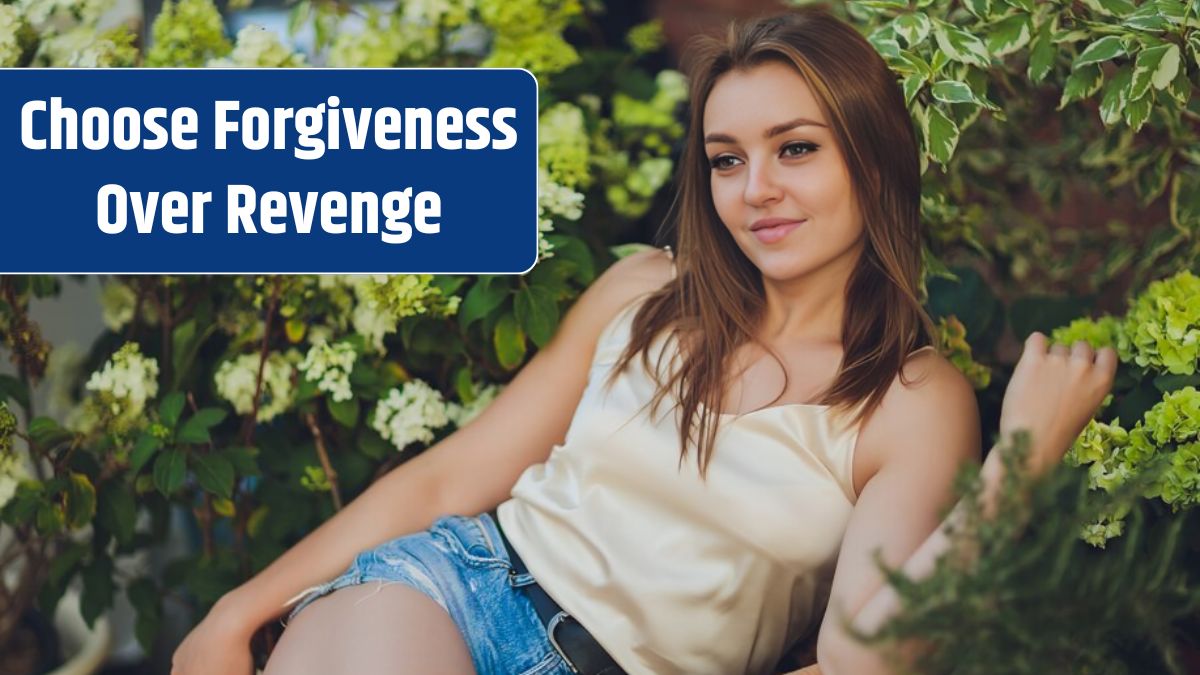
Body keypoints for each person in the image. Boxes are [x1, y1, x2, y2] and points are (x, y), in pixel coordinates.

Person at [170, 8, 1117, 675]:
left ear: (871, 157)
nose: (756, 190)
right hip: (461, 588)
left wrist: (1020, 464)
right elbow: (446, 480)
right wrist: (233, 610)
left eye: (796, 148)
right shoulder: (646, 292)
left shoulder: (911, 401)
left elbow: (863, 657)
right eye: (725, 160)